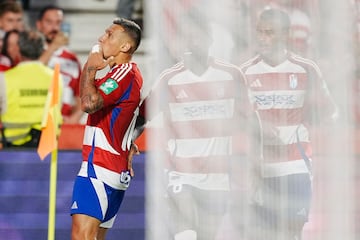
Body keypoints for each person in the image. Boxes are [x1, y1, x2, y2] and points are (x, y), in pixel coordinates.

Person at [132, 6, 259, 239]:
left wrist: (255, 164)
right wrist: (127, 148)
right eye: (187, 36)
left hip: (218, 176)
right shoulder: (169, 79)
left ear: (210, 38)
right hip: (180, 173)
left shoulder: (232, 76)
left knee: (207, 234)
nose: (193, 42)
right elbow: (141, 118)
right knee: (186, 233)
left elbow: (252, 122)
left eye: (197, 35)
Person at [240, 8, 338, 240]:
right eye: (260, 32)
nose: (263, 38)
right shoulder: (244, 73)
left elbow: (329, 113)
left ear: (285, 35)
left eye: (270, 33)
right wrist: (256, 128)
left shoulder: (306, 70)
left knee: (291, 233)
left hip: (296, 166)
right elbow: (236, 120)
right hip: (262, 171)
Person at [70, 18, 143, 240]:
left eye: (109, 34)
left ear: (125, 46)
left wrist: (90, 66)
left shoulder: (125, 73)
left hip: (100, 168)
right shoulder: (122, 75)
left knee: (81, 236)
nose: (102, 38)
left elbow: (89, 105)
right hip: (110, 169)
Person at [0, 29, 62, 148]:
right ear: (42, 49)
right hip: (47, 150)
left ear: (18, 49)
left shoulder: (4, 79)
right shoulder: (56, 77)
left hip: (12, 151)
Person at [36, 5, 84, 124]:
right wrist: (53, 47)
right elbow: (33, 73)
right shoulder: (31, 53)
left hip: (64, 123)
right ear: (39, 25)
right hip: (37, 122)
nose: (54, 27)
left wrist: (74, 119)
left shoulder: (72, 59)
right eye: (49, 22)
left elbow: (81, 96)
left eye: (58, 23)